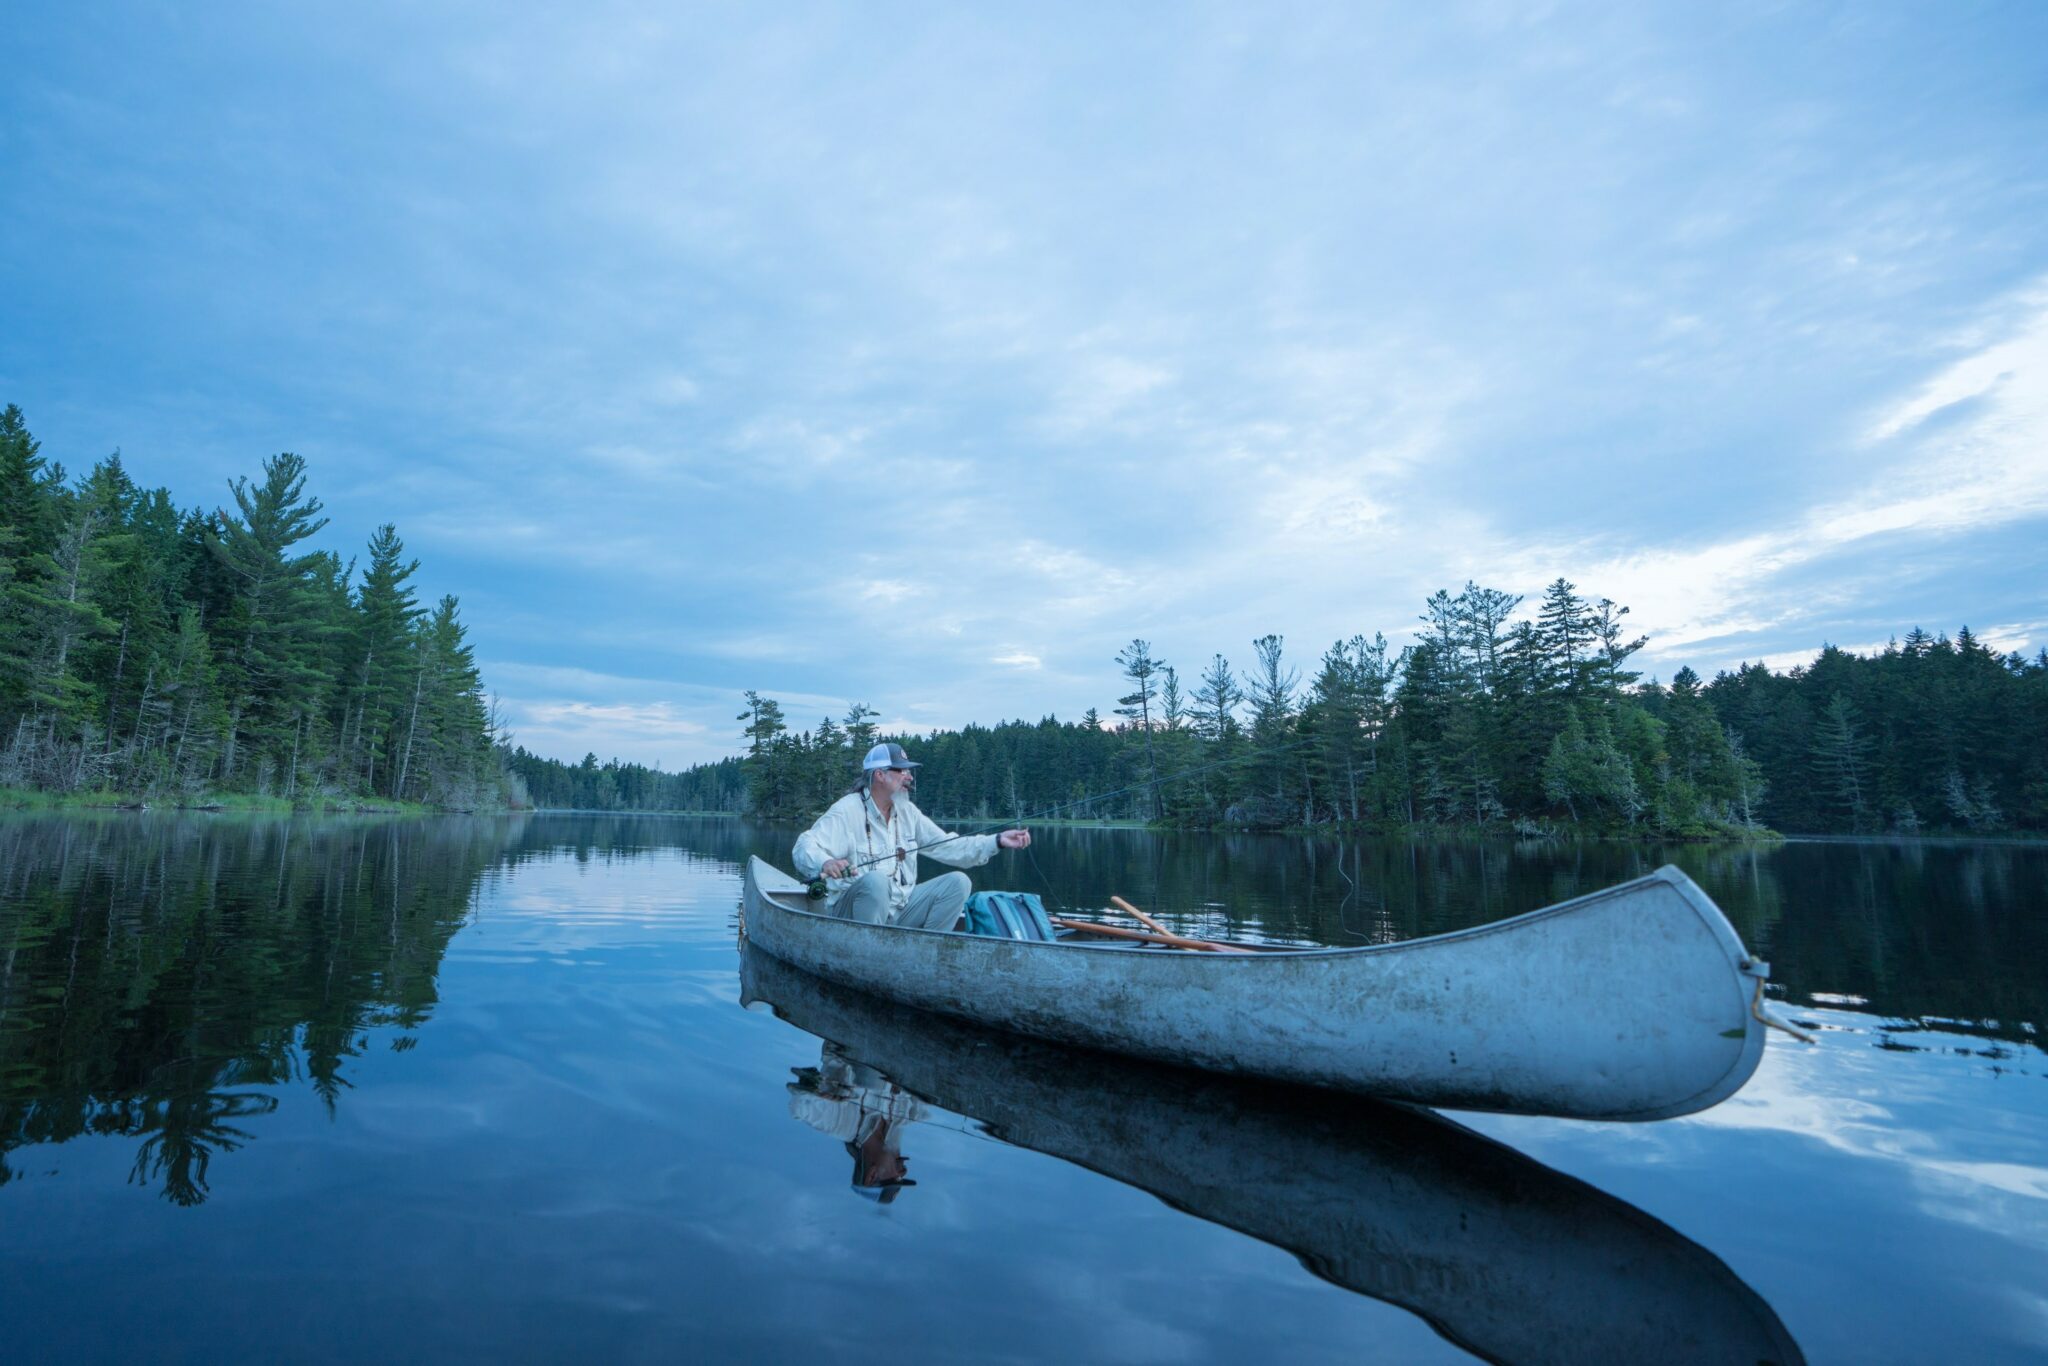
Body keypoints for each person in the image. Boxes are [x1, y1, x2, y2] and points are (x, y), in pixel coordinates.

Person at [792, 741, 1031, 931]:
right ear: (879, 775)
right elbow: (804, 845)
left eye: (909, 771)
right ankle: (868, 953)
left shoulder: (907, 812)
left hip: (900, 909)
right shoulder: (847, 810)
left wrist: (997, 841)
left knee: (958, 883)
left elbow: (950, 846)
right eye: (902, 771)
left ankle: (927, 952)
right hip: (851, 917)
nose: (910, 777)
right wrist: (826, 862)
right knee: (876, 881)